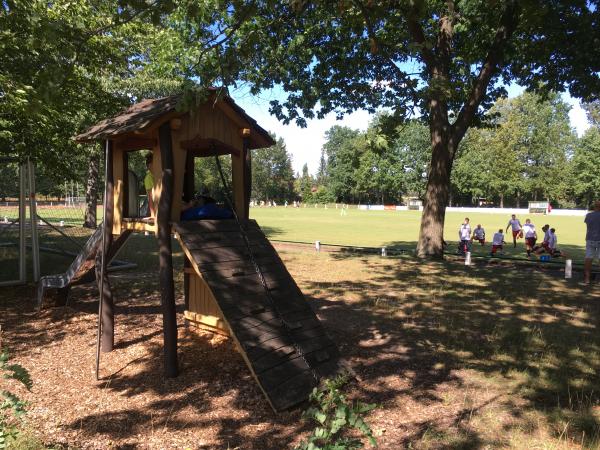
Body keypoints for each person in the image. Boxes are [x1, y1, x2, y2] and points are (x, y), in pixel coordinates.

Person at [584, 200, 600, 284]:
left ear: (594, 206)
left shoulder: (589, 215)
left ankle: (587, 279)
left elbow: (588, 226)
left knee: (588, 258)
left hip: (590, 238)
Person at [144, 153, 155, 218]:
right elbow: (150, 197)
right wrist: (153, 215)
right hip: (153, 210)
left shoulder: (156, 176)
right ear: (150, 165)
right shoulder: (149, 178)